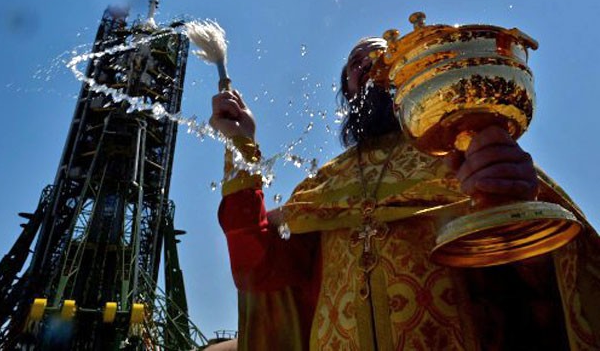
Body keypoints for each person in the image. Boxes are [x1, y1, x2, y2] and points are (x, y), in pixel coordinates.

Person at [210, 37, 600, 350]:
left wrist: (514, 203)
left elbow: (536, 284)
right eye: (355, 64)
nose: (366, 65)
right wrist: (241, 145)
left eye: (380, 58)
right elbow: (259, 269)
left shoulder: (458, 153)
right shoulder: (322, 184)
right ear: (347, 90)